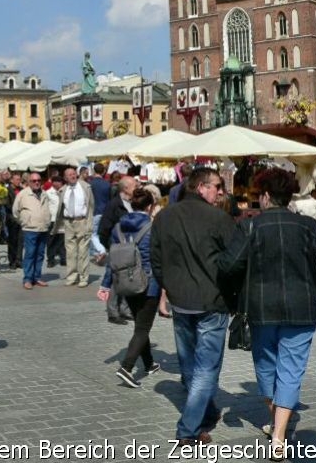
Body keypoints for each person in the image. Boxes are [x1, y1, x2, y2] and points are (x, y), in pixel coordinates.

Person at [220, 169, 316, 459]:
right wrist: (313, 292)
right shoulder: (309, 226)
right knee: (291, 369)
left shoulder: (250, 226)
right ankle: (279, 433)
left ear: (265, 196)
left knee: (266, 366)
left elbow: (229, 265)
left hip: (261, 307)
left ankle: (276, 425)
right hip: (301, 307)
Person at [150, 167, 236, 445]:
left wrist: (169, 287)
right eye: (216, 186)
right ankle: (187, 429)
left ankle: (205, 411)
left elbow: (156, 259)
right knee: (205, 368)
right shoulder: (219, 218)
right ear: (201, 187)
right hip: (211, 301)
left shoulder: (164, 216)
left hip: (182, 301)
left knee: (190, 363)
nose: (220, 191)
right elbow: (236, 259)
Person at [97, 187, 161, 388]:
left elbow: (113, 258)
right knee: (143, 327)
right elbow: (160, 260)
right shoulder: (153, 227)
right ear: (150, 207)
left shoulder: (118, 228)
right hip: (149, 283)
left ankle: (149, 364)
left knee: (140, 325)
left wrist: (105, 285)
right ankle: (126, 367)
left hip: (125, 281)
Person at [55, 167, 94, 287]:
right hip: (68, 223)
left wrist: (89, 223)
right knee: (70, 252)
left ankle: (83, 277)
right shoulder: (63, 190)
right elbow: (61, 208)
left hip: (82, 221)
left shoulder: (85, 187)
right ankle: (72, 276)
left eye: (74, 174)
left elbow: (91, 206)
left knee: (83, 252)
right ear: (65, 178)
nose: (72, 176)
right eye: (69, 175)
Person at [13, 172, 52, 289]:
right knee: (30, 254)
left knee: (40, 254)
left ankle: (37, 277)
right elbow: (15, 212)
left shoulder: (44, 194)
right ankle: (28, 279)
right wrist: (25, 222)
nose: (37, 182)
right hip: (30, 229)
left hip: (43, 228)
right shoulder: (23, 194)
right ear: (29, 182)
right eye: (34, 181)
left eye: (39, 180)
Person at [98, 175, 137, 250]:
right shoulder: (114, 205)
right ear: (126, 189)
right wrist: (111, 247)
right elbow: (104, 230)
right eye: (135, 187)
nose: (137, 189)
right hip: (119, 249)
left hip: (132, 247)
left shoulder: (134, 203)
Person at [88, 163, 111, 264]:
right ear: (104, 171)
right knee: (100, 233)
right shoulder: (107, 184)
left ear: (94, 170)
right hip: (105, 211)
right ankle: (97, 253)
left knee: (93, 234)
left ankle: (101, 251)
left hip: (94, 211)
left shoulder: (90, 184)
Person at [45, 176, 66, 268]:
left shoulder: (65, 192)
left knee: (62, 241)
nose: (57, 183)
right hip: (52, 219)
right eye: (55, 182)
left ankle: (63, 258)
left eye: (59, 182)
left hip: (63, 220)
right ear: (52, 183)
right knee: (51, 241)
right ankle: (50, 259)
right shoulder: (48, 193)